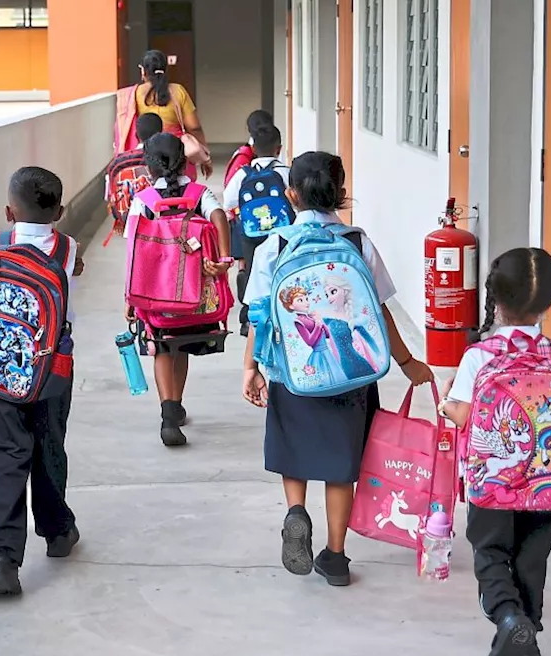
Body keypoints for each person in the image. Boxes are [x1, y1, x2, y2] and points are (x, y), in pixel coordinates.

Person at [241, 151, 434, 586]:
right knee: (341, 464)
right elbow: (381, 311)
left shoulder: (276, 245)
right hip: (352, 373)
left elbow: (259, 315)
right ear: (341, 194)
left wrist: (250, 369)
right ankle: (335, 555)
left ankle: (295, 511)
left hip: (293, 371)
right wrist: (407, 362)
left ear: (290, 195)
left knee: (295, 446)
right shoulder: (358, 242)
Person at [439, 248, 551, 656]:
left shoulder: (480, 357)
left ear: (494, 298)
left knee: (491, 553)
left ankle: (508, 617)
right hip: (548, 483)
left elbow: (466, 416)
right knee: (532, 559)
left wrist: (445, 403)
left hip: (492, 483)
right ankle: (527, 647)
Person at [0, 166, 84, 597]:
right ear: (60, 211)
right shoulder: (68, 247)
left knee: (4, 454)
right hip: (52, 367)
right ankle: (57, 530)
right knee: (49, 446)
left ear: (9, 211)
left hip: (3, 366)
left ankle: (4, 557)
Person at [126, 132, 232, 447]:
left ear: (149, 167)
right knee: (181, 343)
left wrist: (129, 297)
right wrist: (224, 258)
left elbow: (132, 248)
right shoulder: (200, 193)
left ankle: (168, 412)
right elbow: (218, 216)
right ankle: (177, 403)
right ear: (184, 164)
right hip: (195, 297)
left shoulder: (143, 200)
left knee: (161, 346)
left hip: (155, 294)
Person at [222, 113, 289, 337]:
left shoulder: (243, 173)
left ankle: (250, 317)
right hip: (281, 233)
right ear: (278, 148)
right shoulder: (284, 172)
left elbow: (228, 200)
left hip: (250, 234)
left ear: (253, 149)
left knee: (251, 272)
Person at [113, 50, 212, 178]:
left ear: (143, 71)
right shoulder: (178, 91)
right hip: (177, 155)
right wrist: (204, 156)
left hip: (147, 159)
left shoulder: (132, 95)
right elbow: (194, 127)